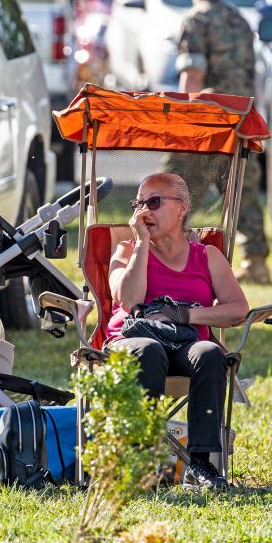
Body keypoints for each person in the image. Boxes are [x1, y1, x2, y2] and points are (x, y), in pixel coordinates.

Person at [107, 172, 249, 491]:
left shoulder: (207, 257)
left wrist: (185, 315)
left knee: (211, 353)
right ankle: (141, 459)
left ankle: (201, 464)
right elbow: (129, 301)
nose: (144, 211)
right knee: (148, 350)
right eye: (139, 203)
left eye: (154, 202)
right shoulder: (127, 251)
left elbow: (237, 309)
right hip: (133, 342)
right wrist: (142, 243)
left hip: (186, 345)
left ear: (182, 208)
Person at [167, 0, 271, 285]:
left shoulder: (196, 20)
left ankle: (167, 255)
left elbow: (193, 75)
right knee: (242, 191)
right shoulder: (239, 21)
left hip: (208, 121)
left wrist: (180, 118)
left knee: (176, 189)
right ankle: (256, 262)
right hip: (242, 119)